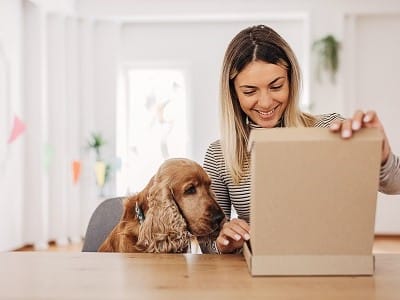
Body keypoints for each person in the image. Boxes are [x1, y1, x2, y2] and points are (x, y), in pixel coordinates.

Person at [200, 24, 400, 254]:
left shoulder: (329, 130)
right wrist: (225, 242)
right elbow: (209, 244)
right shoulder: (219, 155)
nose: (265, 103)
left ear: (291, 81)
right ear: (233, 92)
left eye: (276, 86)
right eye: (249, 91)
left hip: (332, 266)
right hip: (261, 274)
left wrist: (382, 157)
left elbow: (395, 183)